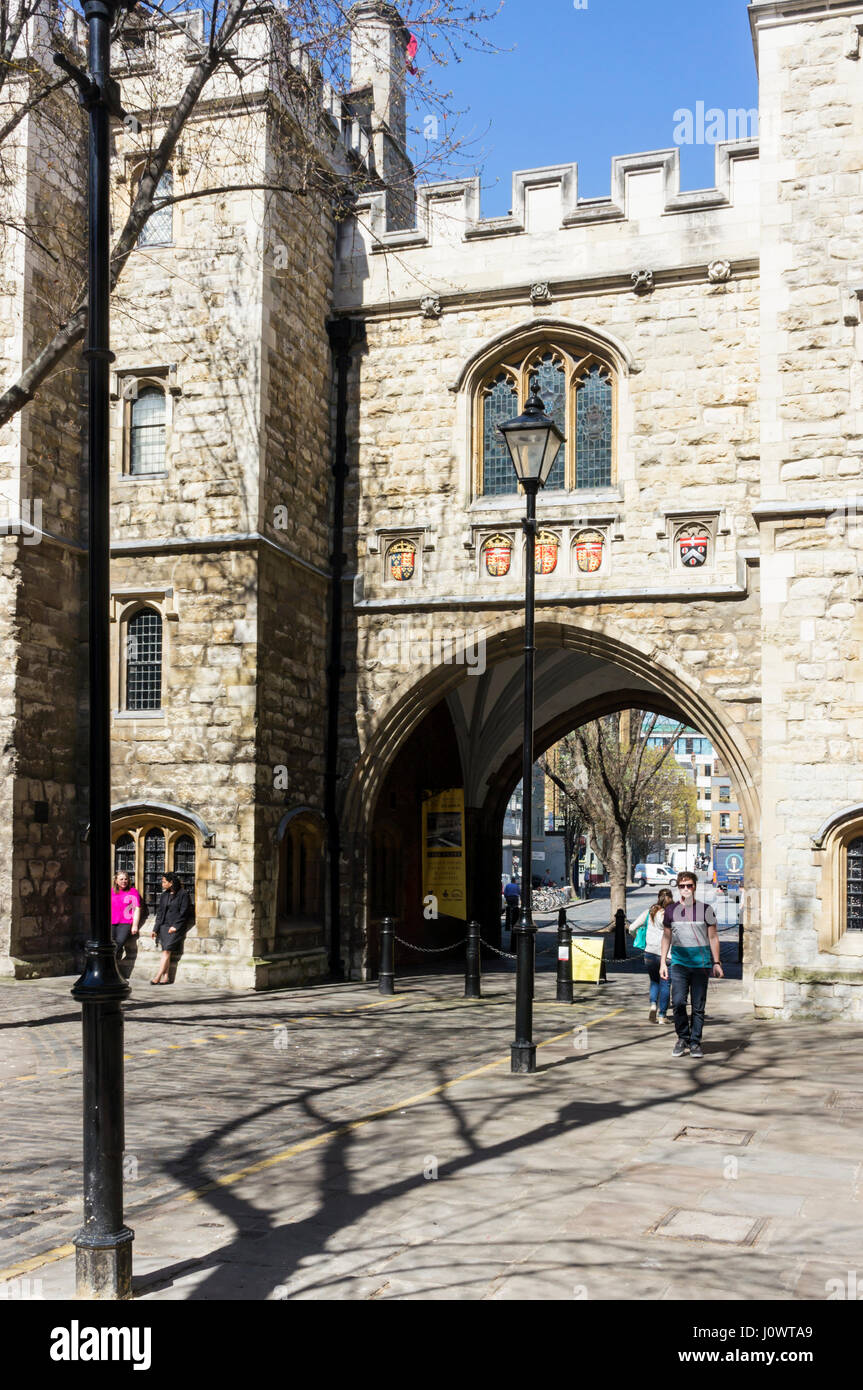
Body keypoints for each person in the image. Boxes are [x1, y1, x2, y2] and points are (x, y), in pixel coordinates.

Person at [660, 870, 723, 1058]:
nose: (686, 889)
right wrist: (663, 962)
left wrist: (717, 962)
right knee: (678, 1002)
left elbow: (713, 937)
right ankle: (682, 1037)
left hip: (700, 965)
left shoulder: (706, 910)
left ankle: (695, 1042)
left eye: (689, 885)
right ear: (678, 888)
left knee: (698, 1006)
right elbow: (666, 937)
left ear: (695, 887)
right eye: (682, 886)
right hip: (679, 964)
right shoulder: (671, 911)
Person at [628, 887, 674, 1023]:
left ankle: (653, 1004)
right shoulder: (669, 914)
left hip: (649, 953)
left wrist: (638, 938)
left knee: (654, 981)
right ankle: (662, 1015)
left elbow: (631, 928)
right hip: (666, 956)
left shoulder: (650, 912)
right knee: (665, 984)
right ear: (670, 898)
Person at [151, 871, 194, 984]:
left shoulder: (183, 894)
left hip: (175, 928)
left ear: (171, 882)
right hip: (164, 927)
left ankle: (158, 976)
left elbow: (184, 912)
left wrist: (176, 926)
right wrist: (155, 929)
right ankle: (166, 977)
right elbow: (160, 913)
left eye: (164, 882)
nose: (162, 884)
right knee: (167, 951)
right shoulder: (165, 895)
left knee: (166, 951)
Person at [111, 869, 142, 970]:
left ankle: (109, 967)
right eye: (121, 879)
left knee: (119, 943)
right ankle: (111, 968)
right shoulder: (111, 891)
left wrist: (135, 925)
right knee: (110, 945)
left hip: (125, 922)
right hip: (111, 922)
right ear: (116, 880)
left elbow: (137, 908)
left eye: (126, 879)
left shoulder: (133, 892)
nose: (124, 881)